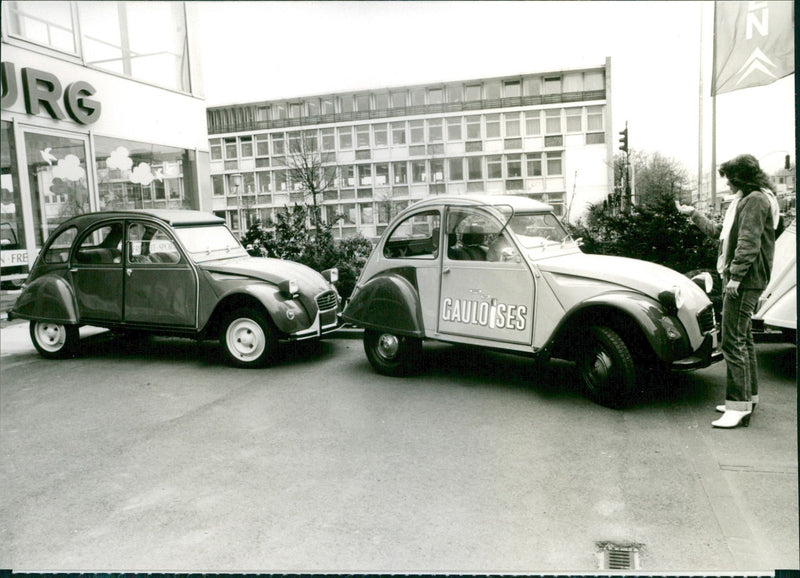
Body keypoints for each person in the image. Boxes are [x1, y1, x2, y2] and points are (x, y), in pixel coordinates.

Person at [677, 154, 780, 429]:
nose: (728, 184)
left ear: (741, 178)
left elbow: (748, 242)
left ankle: (737, 406)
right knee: (743, 339)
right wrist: (693, 214)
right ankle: (747, 400)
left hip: (744, 280)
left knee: (732, 342)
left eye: (730, 179)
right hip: (744, 279)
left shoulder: (754, 200)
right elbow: (718, 233)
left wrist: (735, 276)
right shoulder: (747, 200)